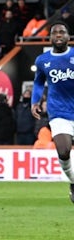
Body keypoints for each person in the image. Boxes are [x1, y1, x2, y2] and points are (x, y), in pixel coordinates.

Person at [31, 21, 74, 202]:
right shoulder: (42, 60)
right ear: (49, 37)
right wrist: (35, 101)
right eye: (55, 32)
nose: (58, 35)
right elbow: (39, 82)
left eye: (62, 32)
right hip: (59, 111)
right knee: (63, 151)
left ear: (68, 37)